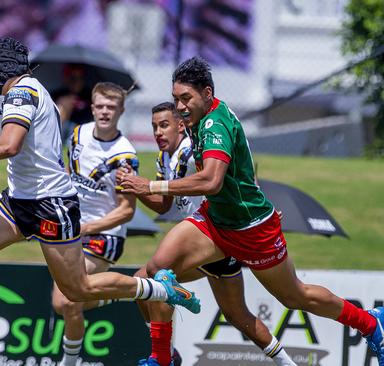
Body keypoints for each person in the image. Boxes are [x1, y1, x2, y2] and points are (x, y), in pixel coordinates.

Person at [0, 37, 200, 366]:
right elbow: (16, 139)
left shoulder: (22, 92)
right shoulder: (22, 94)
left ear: (5, 69)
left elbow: (11, 146)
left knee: (77, 292)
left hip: (50, 203)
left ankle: (162, 290)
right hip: (18, 201)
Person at [118, 57, 384, 366]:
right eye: (176, 99)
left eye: (186, 98)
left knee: (294, 297)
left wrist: (152, 187)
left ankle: (370, 323)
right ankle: (163, 357)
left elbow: (211, 180)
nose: (180, 106)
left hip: (252, 228)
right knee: (155, 270)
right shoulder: (200, 118)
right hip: (215, 221)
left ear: (207, 93)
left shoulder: (213, 124)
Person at [122, 102, 295, 366]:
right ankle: (287, 363)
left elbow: (233, 175)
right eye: (154, 127)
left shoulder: (193, 150)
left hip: (216, 239)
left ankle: (163, 356)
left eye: (164, 125)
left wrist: (258, 212)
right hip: (203, 245)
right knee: (238, 316)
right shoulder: (164, 158)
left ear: (181, 126)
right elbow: (164, 204)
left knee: (155, 280)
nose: (158, 132)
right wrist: (139, 189)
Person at [51, 82, 138, 366]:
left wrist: (88, 228)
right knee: (58, 302)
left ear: (121, 111)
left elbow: (126, 211)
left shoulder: (124, 155)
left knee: (69, 300)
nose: (104, 112)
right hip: (72, 229)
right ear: (91, 108)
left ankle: (70, 362)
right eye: (100, 106)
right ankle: (116, 293)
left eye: (111, 107)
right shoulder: (77, 134)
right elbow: (68, 173)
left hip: (104, 235)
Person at [51, 64, 94, 140]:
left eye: (80, 78)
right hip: (62, 130)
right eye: (72, 78)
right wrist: (63, 105)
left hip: (84, 128)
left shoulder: (90, 95)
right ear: (66, 78)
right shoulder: (57, 94)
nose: (76, 81)